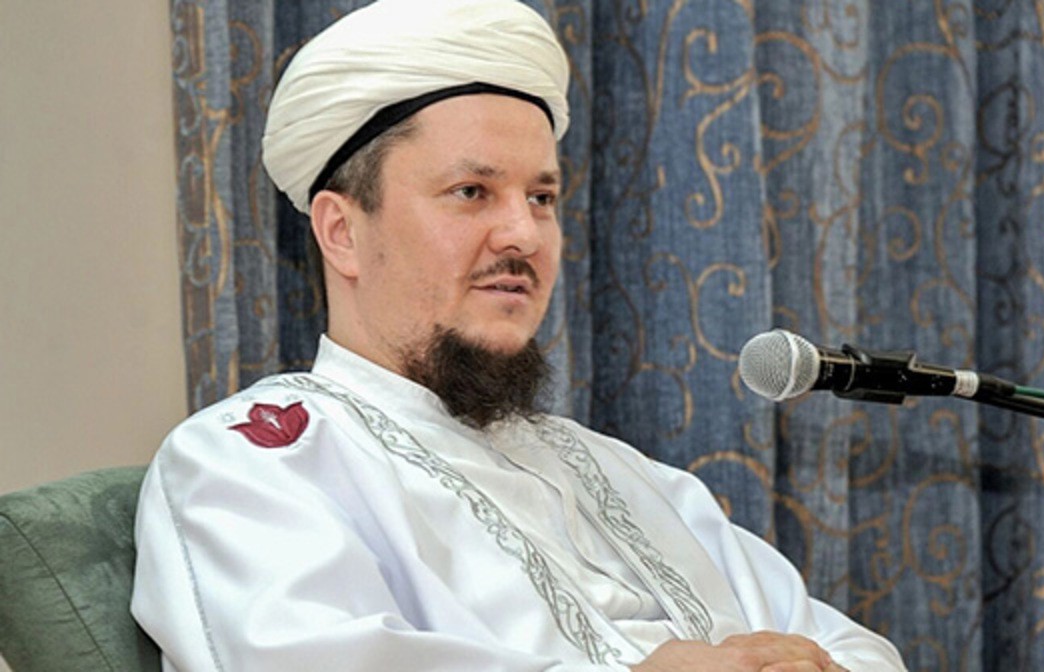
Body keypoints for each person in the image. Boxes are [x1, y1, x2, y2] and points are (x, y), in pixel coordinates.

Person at [130, 1, 907, 670]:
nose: (524, 235)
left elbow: (856, 647)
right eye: (472, 191)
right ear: (342, 231)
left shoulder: (625, 475)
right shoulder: (251, 467)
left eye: (541, 197)